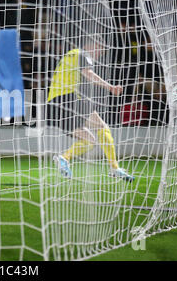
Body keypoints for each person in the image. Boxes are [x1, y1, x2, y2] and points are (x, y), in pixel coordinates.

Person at [46, 40, 134, 181]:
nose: (98, 55)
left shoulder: (70, 55)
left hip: (53, 107)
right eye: (100, 50)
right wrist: (110, 87)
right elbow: (88, 73)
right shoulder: (82, 54)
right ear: (92, 44)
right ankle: (115, 168)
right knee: (102, 127)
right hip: (69, 99)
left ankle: (64, 158)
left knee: (90, 141)